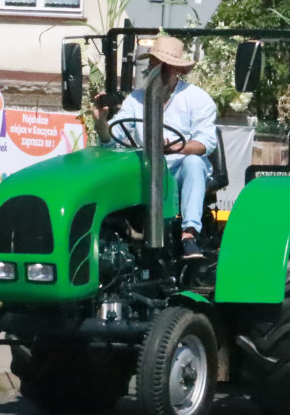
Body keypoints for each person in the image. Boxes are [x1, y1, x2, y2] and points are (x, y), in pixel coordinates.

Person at [91, 36, 217, 258]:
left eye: (162, 66)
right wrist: (101, 122)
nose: (155, 71)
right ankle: (111, 237)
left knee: (194, 162)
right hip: (146, 169)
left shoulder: (197, 99)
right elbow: (112, 139)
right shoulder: (136, 99)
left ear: (175, 70)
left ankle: (189, 234)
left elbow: (205, 144)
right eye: (153, 65)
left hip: (179, 170)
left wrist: (173, 147)